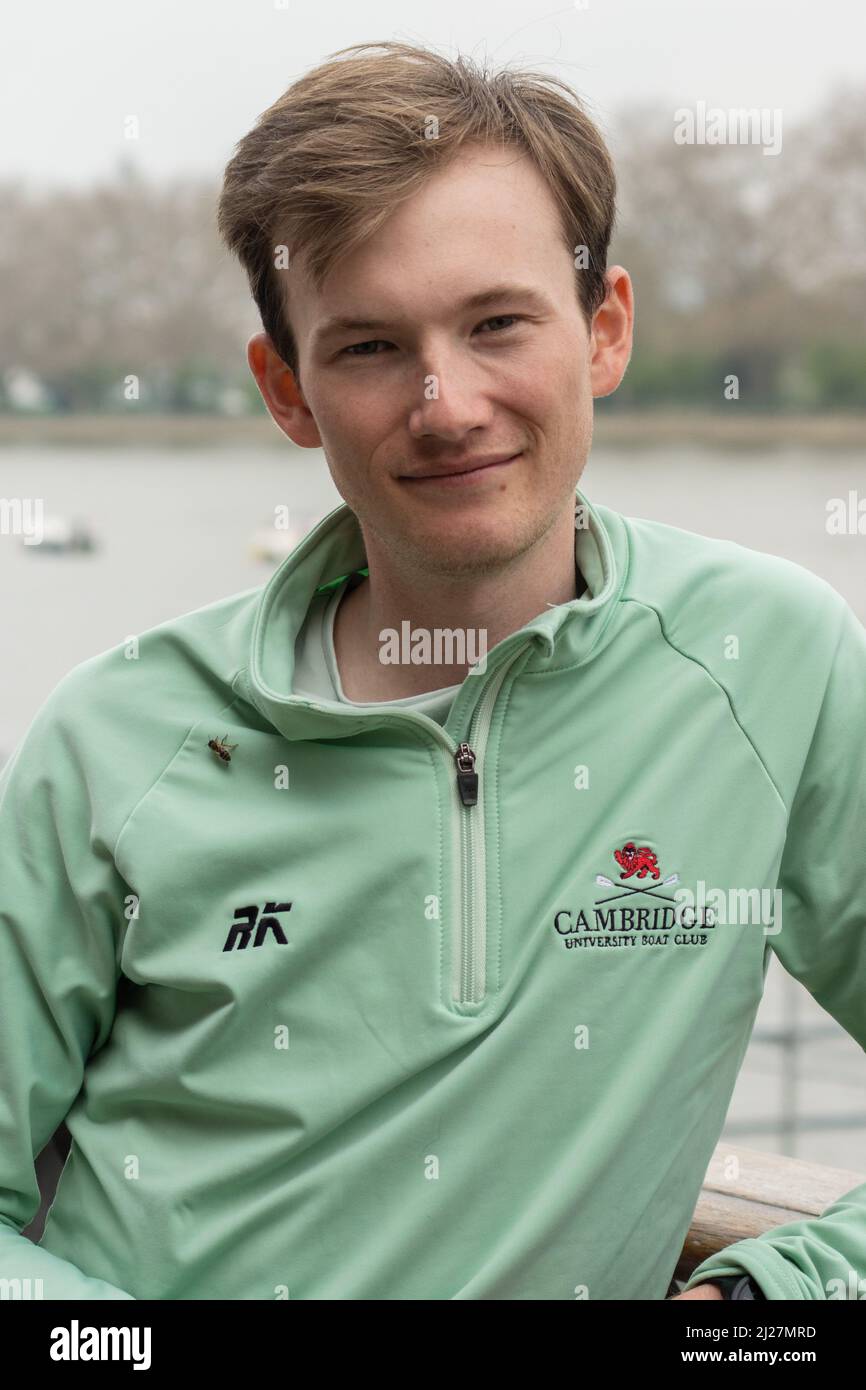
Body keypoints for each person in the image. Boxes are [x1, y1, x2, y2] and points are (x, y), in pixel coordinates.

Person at [1, 39, 864, 1302]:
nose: (446, 402)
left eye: (497, 322)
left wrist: (773, 1295)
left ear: (603, 330)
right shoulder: (111, 742)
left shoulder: (768, 663)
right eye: (366, 348)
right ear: (287, 392)